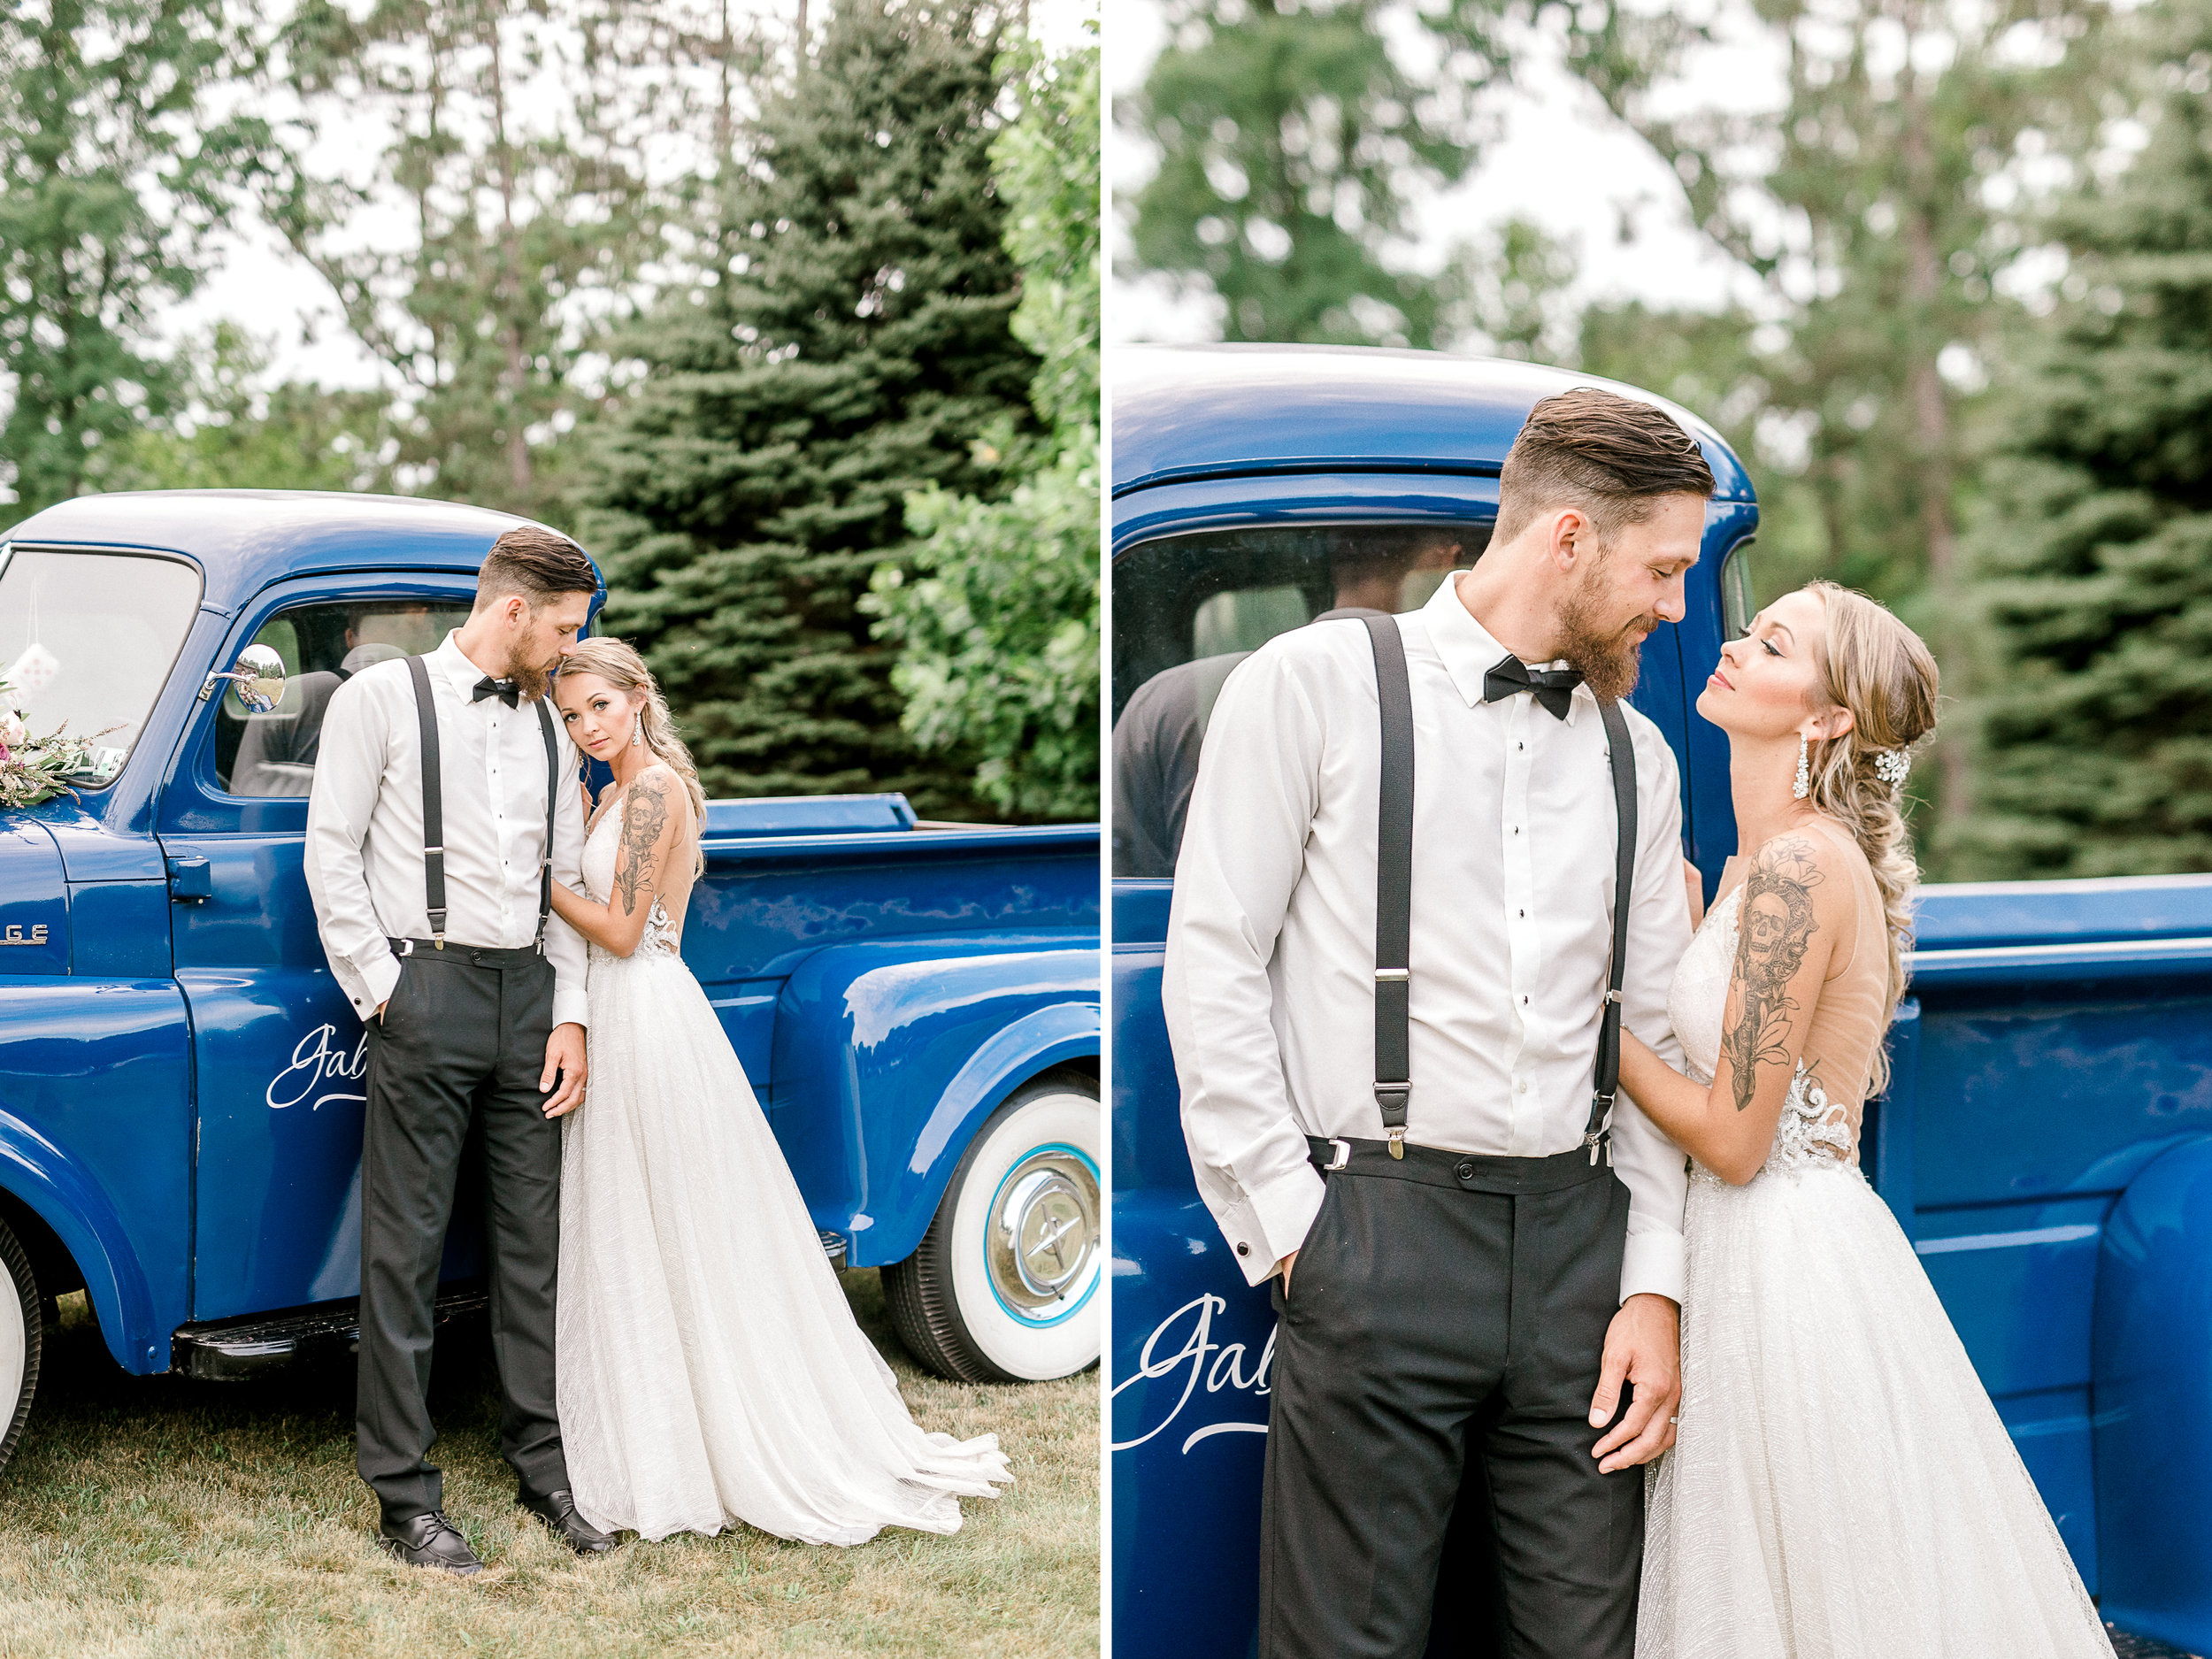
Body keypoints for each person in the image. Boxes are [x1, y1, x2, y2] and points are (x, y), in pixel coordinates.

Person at [1165, 388, 1715, 1658]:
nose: (1675, 606)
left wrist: (1653, 1286)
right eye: (1664, 569)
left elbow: (1649, 1041)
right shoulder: (1313, 682)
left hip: (1585, 1256)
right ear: (1568, 537)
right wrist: (1300, 1232)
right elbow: (1215, 957)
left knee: (1588, 1644)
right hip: (1379, 1234)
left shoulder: (1642, 757)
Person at [1617, 582, 2115, 1656]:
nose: (1736, 648)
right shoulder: (1758, 865)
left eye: (1773, 644)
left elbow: (1736, 1140)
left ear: (1826, 716)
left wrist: (1588, 1028)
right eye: (1753, 631)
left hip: (1781, 1268)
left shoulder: (1799, 868)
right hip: (1751, 1250)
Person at [542, 635, 1013, 1545]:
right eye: (570, 714)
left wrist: (535, 883)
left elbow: (623, 926)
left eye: (598, 705)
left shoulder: (651, 793)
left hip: (642, 1008)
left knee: (667, 1221)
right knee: (637, 1224)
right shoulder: (613, 793)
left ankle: (711, 1437)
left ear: (638, 695)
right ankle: (657, 1426)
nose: (585, 726)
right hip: (627, 1008)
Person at [303, 528, 613, 1573]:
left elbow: (564, 874)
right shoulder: (379, 701)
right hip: (422, 988)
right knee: (406, 1251)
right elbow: (330, 854)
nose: (572, 651)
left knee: (532, 1251)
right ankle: (404, 1495)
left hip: (527, 993)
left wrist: (569, 1011)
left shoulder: (552, 727)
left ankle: (546, 1469)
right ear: (514, 611)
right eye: (566, 629)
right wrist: (386, 991)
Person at [1111, 526, 1465, 877]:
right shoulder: (1473, 702)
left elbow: (1126, 877)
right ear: (1446, 559)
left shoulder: (1164, 701)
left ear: (1335, 562)